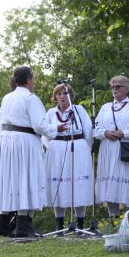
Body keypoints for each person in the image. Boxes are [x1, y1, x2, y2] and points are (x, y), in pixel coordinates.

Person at [0, 66, 69, 237]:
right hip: (24, 142)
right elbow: (39, 125)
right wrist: (55, 129)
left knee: (9, 179)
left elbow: (1, 124)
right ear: (28, 79)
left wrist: (3, 143)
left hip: (6, 142)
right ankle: (22, 225)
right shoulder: (30, 98)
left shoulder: (7, 98)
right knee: (26, 178)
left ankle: (2, 224)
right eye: (32, 78)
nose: (33, 82)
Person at [94, 75, 129, 221]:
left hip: (127, 148)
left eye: (118, 86)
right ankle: (113, 221)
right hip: (108, 150)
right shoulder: (105, 108)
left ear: (126, 89)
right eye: (112, 87)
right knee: (110, 186)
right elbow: (95, 127)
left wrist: (124, 133)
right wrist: (105, 133)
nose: (114, 89)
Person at [43, 83, 94, 234]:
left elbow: (88, 131)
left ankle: (80, 224)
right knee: (58, 185)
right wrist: (50, 147)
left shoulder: (78, 110)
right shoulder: (51, 113)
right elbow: (44, 133)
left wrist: (85, 148)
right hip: (56, 151)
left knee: (78, 184)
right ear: (55, 96)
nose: (62, 96)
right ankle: (59, 225)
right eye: (58, 94)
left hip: (77, 148)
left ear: (70, 95)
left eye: (65, 93)